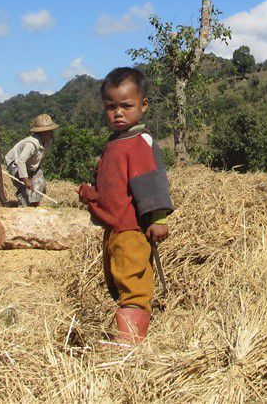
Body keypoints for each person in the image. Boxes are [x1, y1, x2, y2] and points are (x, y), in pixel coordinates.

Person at [77, 67, 174, 346]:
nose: (118, 112)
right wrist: (90, 195)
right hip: (115, 230)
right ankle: (126, 333)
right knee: (119, 281)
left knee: (133, 285)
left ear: (143, 105)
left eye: (126, 105)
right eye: (111, 106)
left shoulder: (139, 142)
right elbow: (114, 189)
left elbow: (150, 181)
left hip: (131, 230)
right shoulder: (115, 143)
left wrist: (157, 217)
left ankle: (129, 347)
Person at [5, 114, 58, 207]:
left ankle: (34, 204)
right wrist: (26, 179)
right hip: (16, 163)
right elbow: (21, 161)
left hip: (31, 164)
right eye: (48, 131)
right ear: (41, 132)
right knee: (24, 188)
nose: (50, 132)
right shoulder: (32, 143)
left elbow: (41, 157)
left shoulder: (49, 141)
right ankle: (24, 206)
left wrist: (34, 172)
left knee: (40, 183)